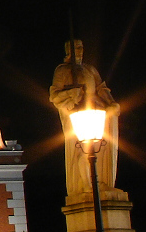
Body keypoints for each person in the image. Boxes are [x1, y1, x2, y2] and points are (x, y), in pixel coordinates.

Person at [49, 39, 120, 198]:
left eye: (81, 47)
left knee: (99, 148)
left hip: (96, 110)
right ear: (69, 51)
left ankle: (98, 180)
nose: (79, 50)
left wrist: (112, 102)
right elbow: (54, 95)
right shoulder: (62, 70)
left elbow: (101, 88)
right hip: (77, 113)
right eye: (75, 48)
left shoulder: (90, 69)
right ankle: (87, 185)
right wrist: (71, 93)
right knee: (83, 150)